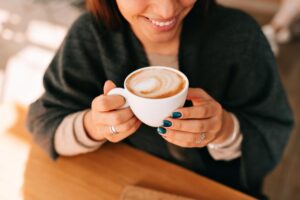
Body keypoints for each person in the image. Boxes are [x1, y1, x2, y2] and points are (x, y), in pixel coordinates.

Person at [26, 0, 294, 199]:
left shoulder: (240, 35)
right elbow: (44, 122)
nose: (167, 11)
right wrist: (93, 126)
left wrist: (224, 130)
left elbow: (272, 129)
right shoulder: (91, 35)